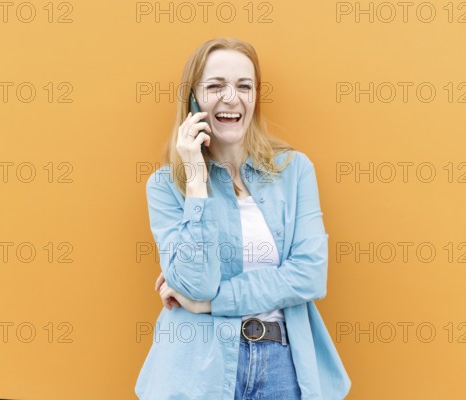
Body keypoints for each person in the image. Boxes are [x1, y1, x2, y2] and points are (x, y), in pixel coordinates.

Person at [135, 37, 351, 400]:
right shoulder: (165, 186)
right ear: (193, 99)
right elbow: (196, 284)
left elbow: (310, 275)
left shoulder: (295, 170)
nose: (231, 97)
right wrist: (195, 179)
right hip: (198, 369)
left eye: (244, 86)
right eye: (215, 86)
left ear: (255, 97)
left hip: (283, 365)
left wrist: (213, 304)